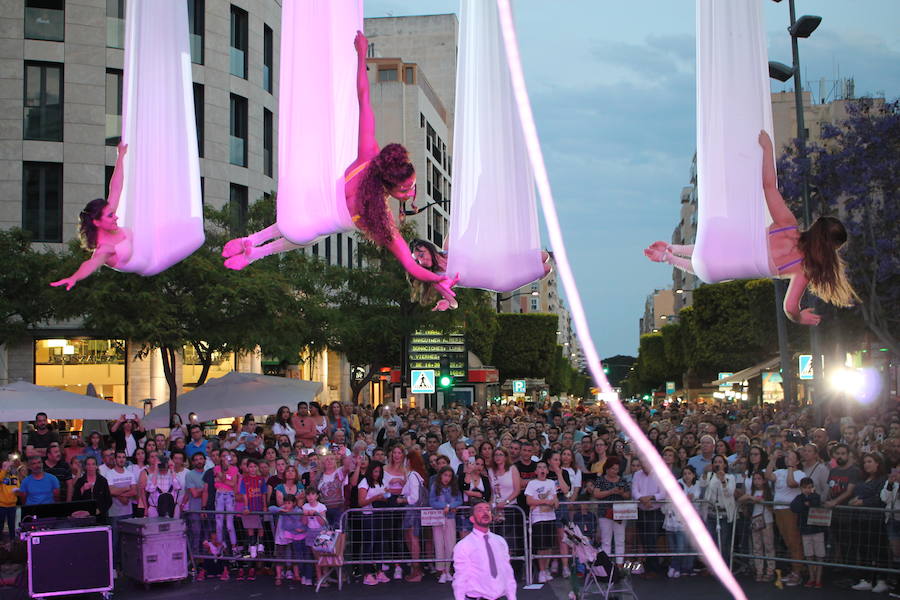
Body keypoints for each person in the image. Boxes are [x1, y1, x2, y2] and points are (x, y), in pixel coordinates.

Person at [220, 32, 457, 304]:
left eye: (412, 186)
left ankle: (253, 244)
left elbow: (364, 97)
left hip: (311, 206)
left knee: (299, 227)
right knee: (302, 233)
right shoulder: (379, 213)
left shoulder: (368, 159)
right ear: (390, 184)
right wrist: (436, 278)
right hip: (314, 219)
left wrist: (361, 56)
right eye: (406, 189)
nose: (410, 192)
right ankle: (254, 250)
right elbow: (411, 265)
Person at [643, 131, 858, 325]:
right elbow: (790, 308)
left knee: (720, 247)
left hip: (717, 242)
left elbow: (769, 186)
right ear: (831, 249)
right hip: (714, 269)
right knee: (709, 264)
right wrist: (800, 318)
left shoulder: (787, 225)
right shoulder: (803, 270)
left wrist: (768, 149)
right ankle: (669, 257)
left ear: (815, 228)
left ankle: (673, 249)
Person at [50, 143, 129, 289]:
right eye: (111, 216)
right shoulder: (105, 249)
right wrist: (74, 277)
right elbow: (91, 264)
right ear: (97, 222)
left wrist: (120, 156)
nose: (116, 217)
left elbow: (116, 188)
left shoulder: (108, 221)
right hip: (150, 261)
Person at [452, 501, 517, 600]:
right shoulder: (463, 545)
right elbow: (460, 579)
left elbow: (507, 572)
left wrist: (512, 597)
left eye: (488, 509)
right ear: (472, 519)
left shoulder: (500, 541)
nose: (485, 512)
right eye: (480, 510)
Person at [766, 448, 805, 586]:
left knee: (794, 541)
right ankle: (793, 570)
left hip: (790, 511)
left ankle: (798, 572)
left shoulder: (800, 474)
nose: (788, 458)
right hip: (779, 510)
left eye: (792, 457)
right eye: (787, 457)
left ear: (798, 461)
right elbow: (768, 476)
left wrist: (790, 468)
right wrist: (773, 459)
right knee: (787, 541)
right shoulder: (780, 472)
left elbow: (791, 483)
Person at [525, 461, 558, 583]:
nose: (542, 469)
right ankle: (542, 570)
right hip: (538, 517)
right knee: (541, 546)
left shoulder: (551, 483)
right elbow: (529, 500)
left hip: (550, 516)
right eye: (539, 467)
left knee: (549, 545)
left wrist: (553, 503)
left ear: (547, 470)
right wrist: (543, 502)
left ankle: (547, 568)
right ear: (536, 471)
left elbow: (554, 498)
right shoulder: (532, 484)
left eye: (544, 467)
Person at [789, 477, 826, 589]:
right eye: (805, 488)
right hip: (805, 530)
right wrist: (806, 504)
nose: (807, 490)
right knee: (809, 555)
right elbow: (794, 507)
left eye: (809, 487)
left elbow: (815, 502)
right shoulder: (799, 497)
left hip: (817, 529)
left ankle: (818, 579)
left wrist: (807, 502)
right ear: (801, 488)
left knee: (819, 555)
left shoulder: (815, 496)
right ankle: (811, 578)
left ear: (813, 487)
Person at [430, 465, 463, 584]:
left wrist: (450, 506)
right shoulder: (435, 486)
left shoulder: (454, 487)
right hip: (438, 518)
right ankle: (441, 571)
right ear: (440, 476)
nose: (447, 478)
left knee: (450, 544)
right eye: (445, 475)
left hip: (450, 518)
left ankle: (448, 570)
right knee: (439, 544)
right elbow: (432, 501)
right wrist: (444, 506)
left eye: (449, 476)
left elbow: (460, 500)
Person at [594, 457, 630, 566]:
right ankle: (607, 565)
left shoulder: (622, 480)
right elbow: (596, 494)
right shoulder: (601, 480)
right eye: (613, 469)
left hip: (619, 512)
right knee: (606, 539)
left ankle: (619, 564)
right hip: (605, 512)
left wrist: (622, 493)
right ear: (607, 469)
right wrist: (611, 491)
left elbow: (628, 495)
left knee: (620, 539)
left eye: (617, 469)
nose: (615, 471)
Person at [72, 456, 112, 521]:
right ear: (85, 467)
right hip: (84, 518)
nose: (91, 467)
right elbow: (74, 500)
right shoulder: (80, 481)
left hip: (101, 518)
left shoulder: (103, 481)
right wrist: (82, 489)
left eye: (93, 464)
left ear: (96, 466)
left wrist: (99, 510)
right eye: (88, 464)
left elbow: (108, 501)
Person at [0, 457, 21, 539]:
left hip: (12, 505)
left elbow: (18, 487)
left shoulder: (14, 476)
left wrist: (18, 491)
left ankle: (13, 541)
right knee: (0, 524)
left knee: (12, 524)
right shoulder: (1, 475)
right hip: (1, 505)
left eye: (8, 466)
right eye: (5, 466)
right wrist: (4, 470)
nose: (7, 467)